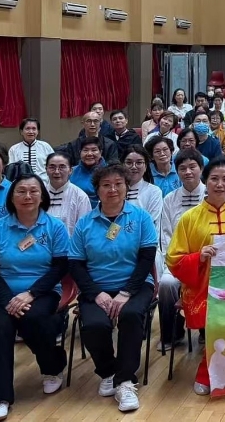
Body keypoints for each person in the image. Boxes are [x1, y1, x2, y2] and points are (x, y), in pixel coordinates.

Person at [68, 164, 158, 413]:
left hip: (135, 285)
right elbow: (75, 264)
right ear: (97, 190)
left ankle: (125, 380)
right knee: (95, 325)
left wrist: (126, 292)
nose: (112, 189)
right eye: (106, 185)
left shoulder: (141, 217)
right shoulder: (85, 223)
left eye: (118, 184)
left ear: (127, 187)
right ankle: (108, 371)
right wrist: (96, 293)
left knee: (130, 315)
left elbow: (146, 259)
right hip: (96, 287)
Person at [0, 176, 69, 421]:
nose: (27, 196)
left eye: (33, 191)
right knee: (0, 328)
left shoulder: (55, 226)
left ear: (42, 196)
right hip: (1, 294)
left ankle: (52, 367)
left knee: (34, 318)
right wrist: (8, 300)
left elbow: (60, 267)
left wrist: (30, 294)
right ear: (11, 197)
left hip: (42, 291)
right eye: (21, 191)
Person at [167, 157, 225, 395]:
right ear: (205, 181)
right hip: (200, 287)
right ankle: (208, 373)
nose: (220, 184)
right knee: (218, 318)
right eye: (214, 178)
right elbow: (174, 259)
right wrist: (199, 257)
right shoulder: (189, 218)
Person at [156, 149, 205, 349]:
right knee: (166, 284)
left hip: (206, 262)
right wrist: (177, 262)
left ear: (201, 169)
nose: (188, 172)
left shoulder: (211, 195)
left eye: (192, 167)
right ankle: (172, 334)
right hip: (178, 261)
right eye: (182, 168)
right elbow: (166, 235)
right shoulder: (169, 199)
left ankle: (206, 330)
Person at [44, 152, 91, 235]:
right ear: (46, 170)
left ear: (70, 170)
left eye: (62, 167)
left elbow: (85, 228)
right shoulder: (39, 194)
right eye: (52, 167)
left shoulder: (80, 196)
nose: (57, 171)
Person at [122, 146, 163, 229]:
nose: (134, 167)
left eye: (139, 163)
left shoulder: (154, 191)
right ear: (122, 165)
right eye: (129, 163)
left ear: (146, 166)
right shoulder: (114, 190)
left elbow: (152, 223)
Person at [69, 138, 106, 208]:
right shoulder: (71, 172)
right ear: (80, 152)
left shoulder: (109, 172)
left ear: (101, 152)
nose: (89, 154)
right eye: (85, 150)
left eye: (94, 150)